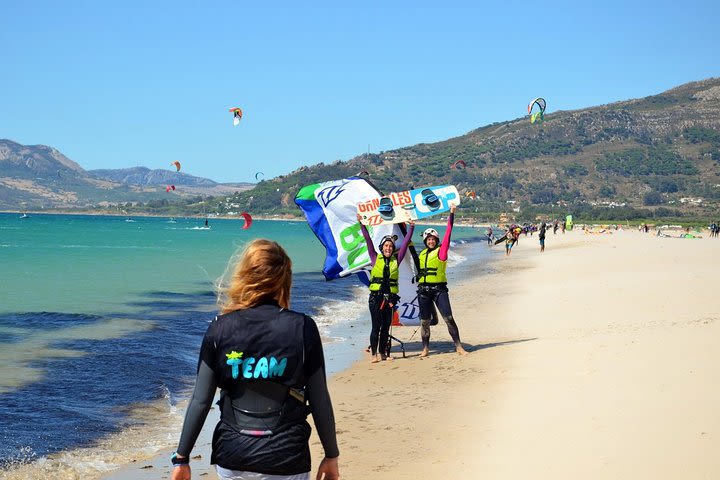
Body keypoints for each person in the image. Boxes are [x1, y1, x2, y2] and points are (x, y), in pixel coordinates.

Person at [170, 239, 340, 480]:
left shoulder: (219, 329)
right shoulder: (303, 328)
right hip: (286, 457)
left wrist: (182, 458)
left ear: (245, 275)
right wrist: (331, 455)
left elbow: (200, 399)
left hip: (233, 455)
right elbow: (319, 397)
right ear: (284, 278)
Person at [358, 217, 415, 363]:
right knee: (376, 326)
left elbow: (404, 246)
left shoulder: (397, 259)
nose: (388, 248)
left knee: (385, 327)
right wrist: (361, 224)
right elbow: (368, 240)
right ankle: (374, 355)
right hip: (375, 298)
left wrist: (411, 228)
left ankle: (383, 353)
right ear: (382, 247)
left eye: (390, 246)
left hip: (390, 299)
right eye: (386, 246)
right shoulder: (375, 258)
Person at [416, 205, 467, 357]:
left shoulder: (441, 251)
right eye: (428, 239)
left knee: (448, 318)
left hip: (439, 290)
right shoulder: (422, 253)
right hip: (424, 291)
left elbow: (449, 233)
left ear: (436, 240)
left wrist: (451, 213)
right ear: (425, 241)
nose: (431, 241)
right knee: (424, 322)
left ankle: (458, 346)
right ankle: (425, 348)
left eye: (433, 239)